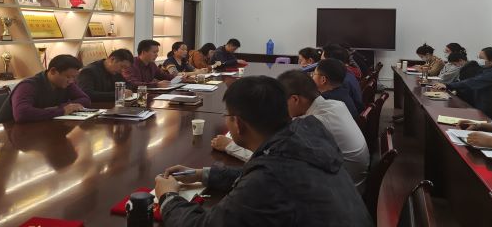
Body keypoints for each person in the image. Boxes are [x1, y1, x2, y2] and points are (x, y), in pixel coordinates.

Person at [154, 76, 373, 227]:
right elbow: (259, 173)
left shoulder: (270, 178)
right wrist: (202, 174)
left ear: (238, 124)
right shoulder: (306, 132)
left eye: (227, 116)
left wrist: (168, 197)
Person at [211, 70, 370, 188]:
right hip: (347, 180)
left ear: (294, 99)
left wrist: (230, 146)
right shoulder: (335, 104)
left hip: (346, 185)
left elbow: (272, 160)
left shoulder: (313, 124)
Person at [0, 55, 91, 123]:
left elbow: (85, 99)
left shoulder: (67, 83)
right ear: (53, 71)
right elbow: (22, 114)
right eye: (68, 77)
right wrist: (61, 111)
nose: (71, 81)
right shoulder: (28, 86)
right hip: (7, 133)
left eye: (74, 77)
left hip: (39, 128)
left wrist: (64, 107)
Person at [433, 47, 492, 118]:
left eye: (481, 58)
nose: (478, 60)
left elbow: (472, 82)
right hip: (480, 107)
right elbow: (468, 80)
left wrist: (448, 85)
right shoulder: (486, 69)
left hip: (488, 114)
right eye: (478, 57)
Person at [322, 44, 363, 112]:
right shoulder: (348, 73)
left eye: (322, 61)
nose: (320, 65)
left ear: (332, 62)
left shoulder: (341, 81)